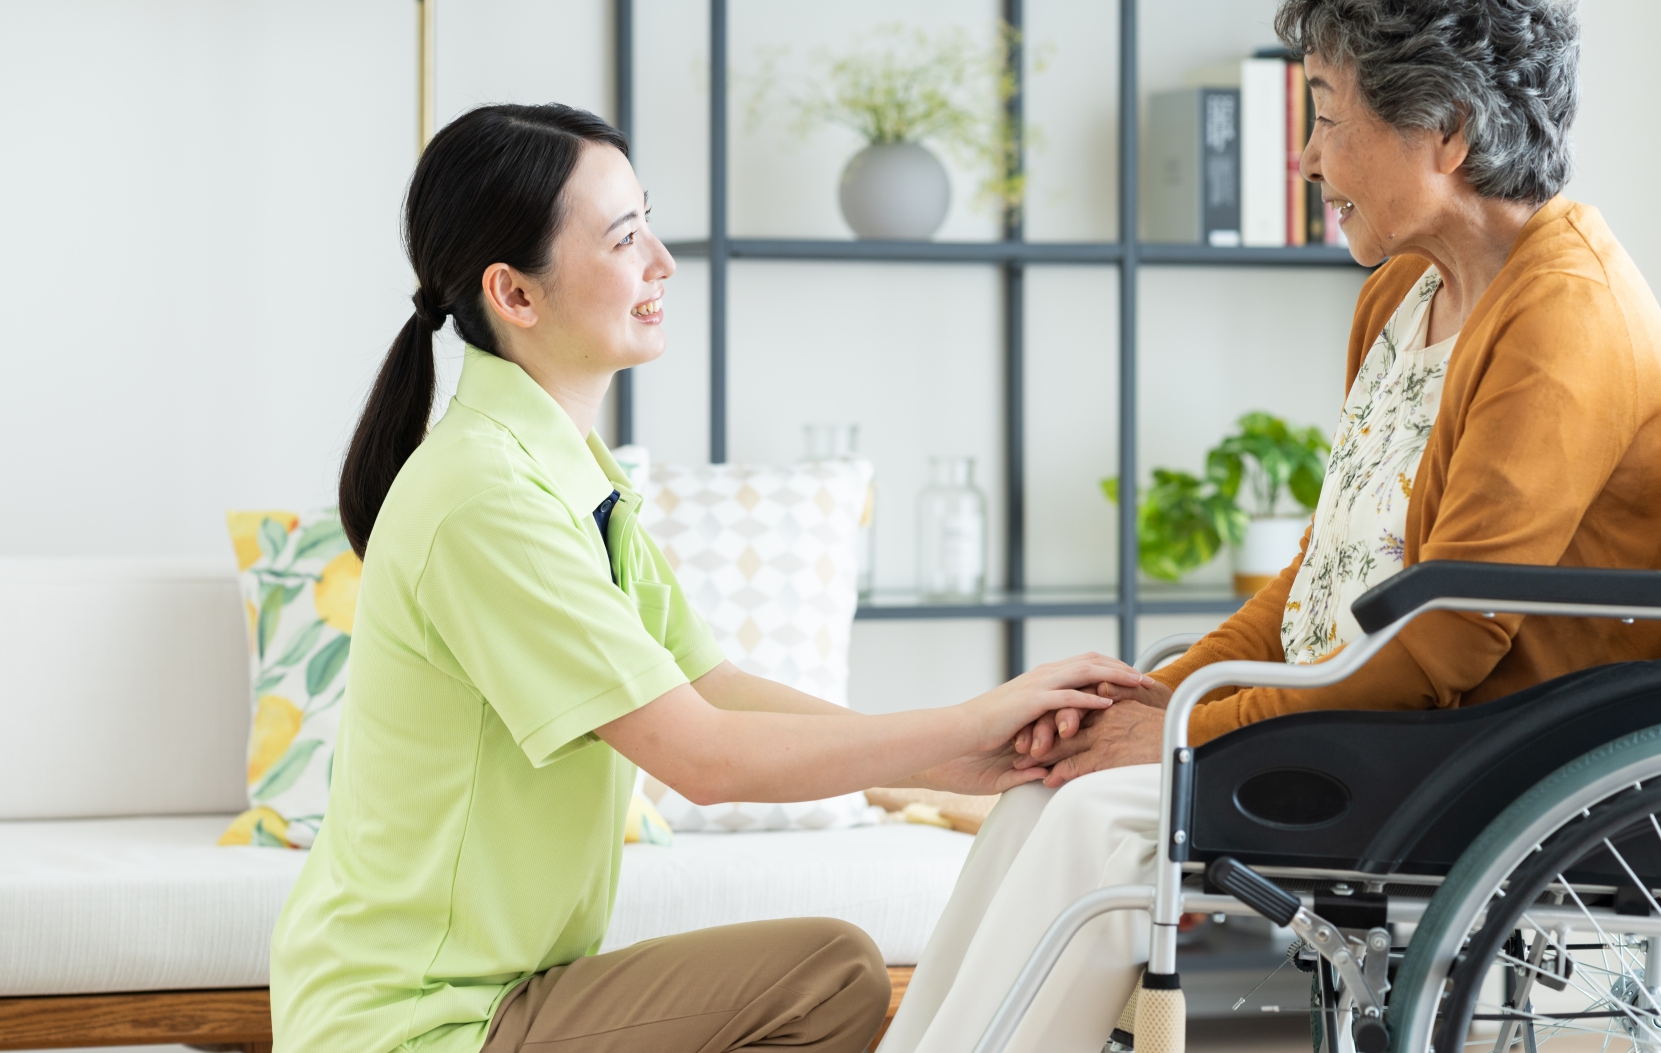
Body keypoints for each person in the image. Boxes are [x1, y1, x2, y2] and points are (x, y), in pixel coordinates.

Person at [878, 0, 1661, 1052]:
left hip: (1503, 740)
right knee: (1052, 787)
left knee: (1116, 817)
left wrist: (1199, 726)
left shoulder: (1565, 313)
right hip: (1388, 709)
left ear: (1447, 130)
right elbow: (1327, 574)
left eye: (1324, 113)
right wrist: (1166, 693)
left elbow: (1450, 639)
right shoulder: (1405, 291)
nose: (1306, 156)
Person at [267, 104, 1150, 1053]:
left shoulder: (567, 474)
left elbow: (711, 687)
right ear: (515, 296)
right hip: (415, 1023)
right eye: (622, 237)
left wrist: (959, 759)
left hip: (495, 993)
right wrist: (972, 722)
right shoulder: (486, 498)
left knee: (828, 971)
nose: (662, 261)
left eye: (648, 218)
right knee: (825, 978)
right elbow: (703, 756)